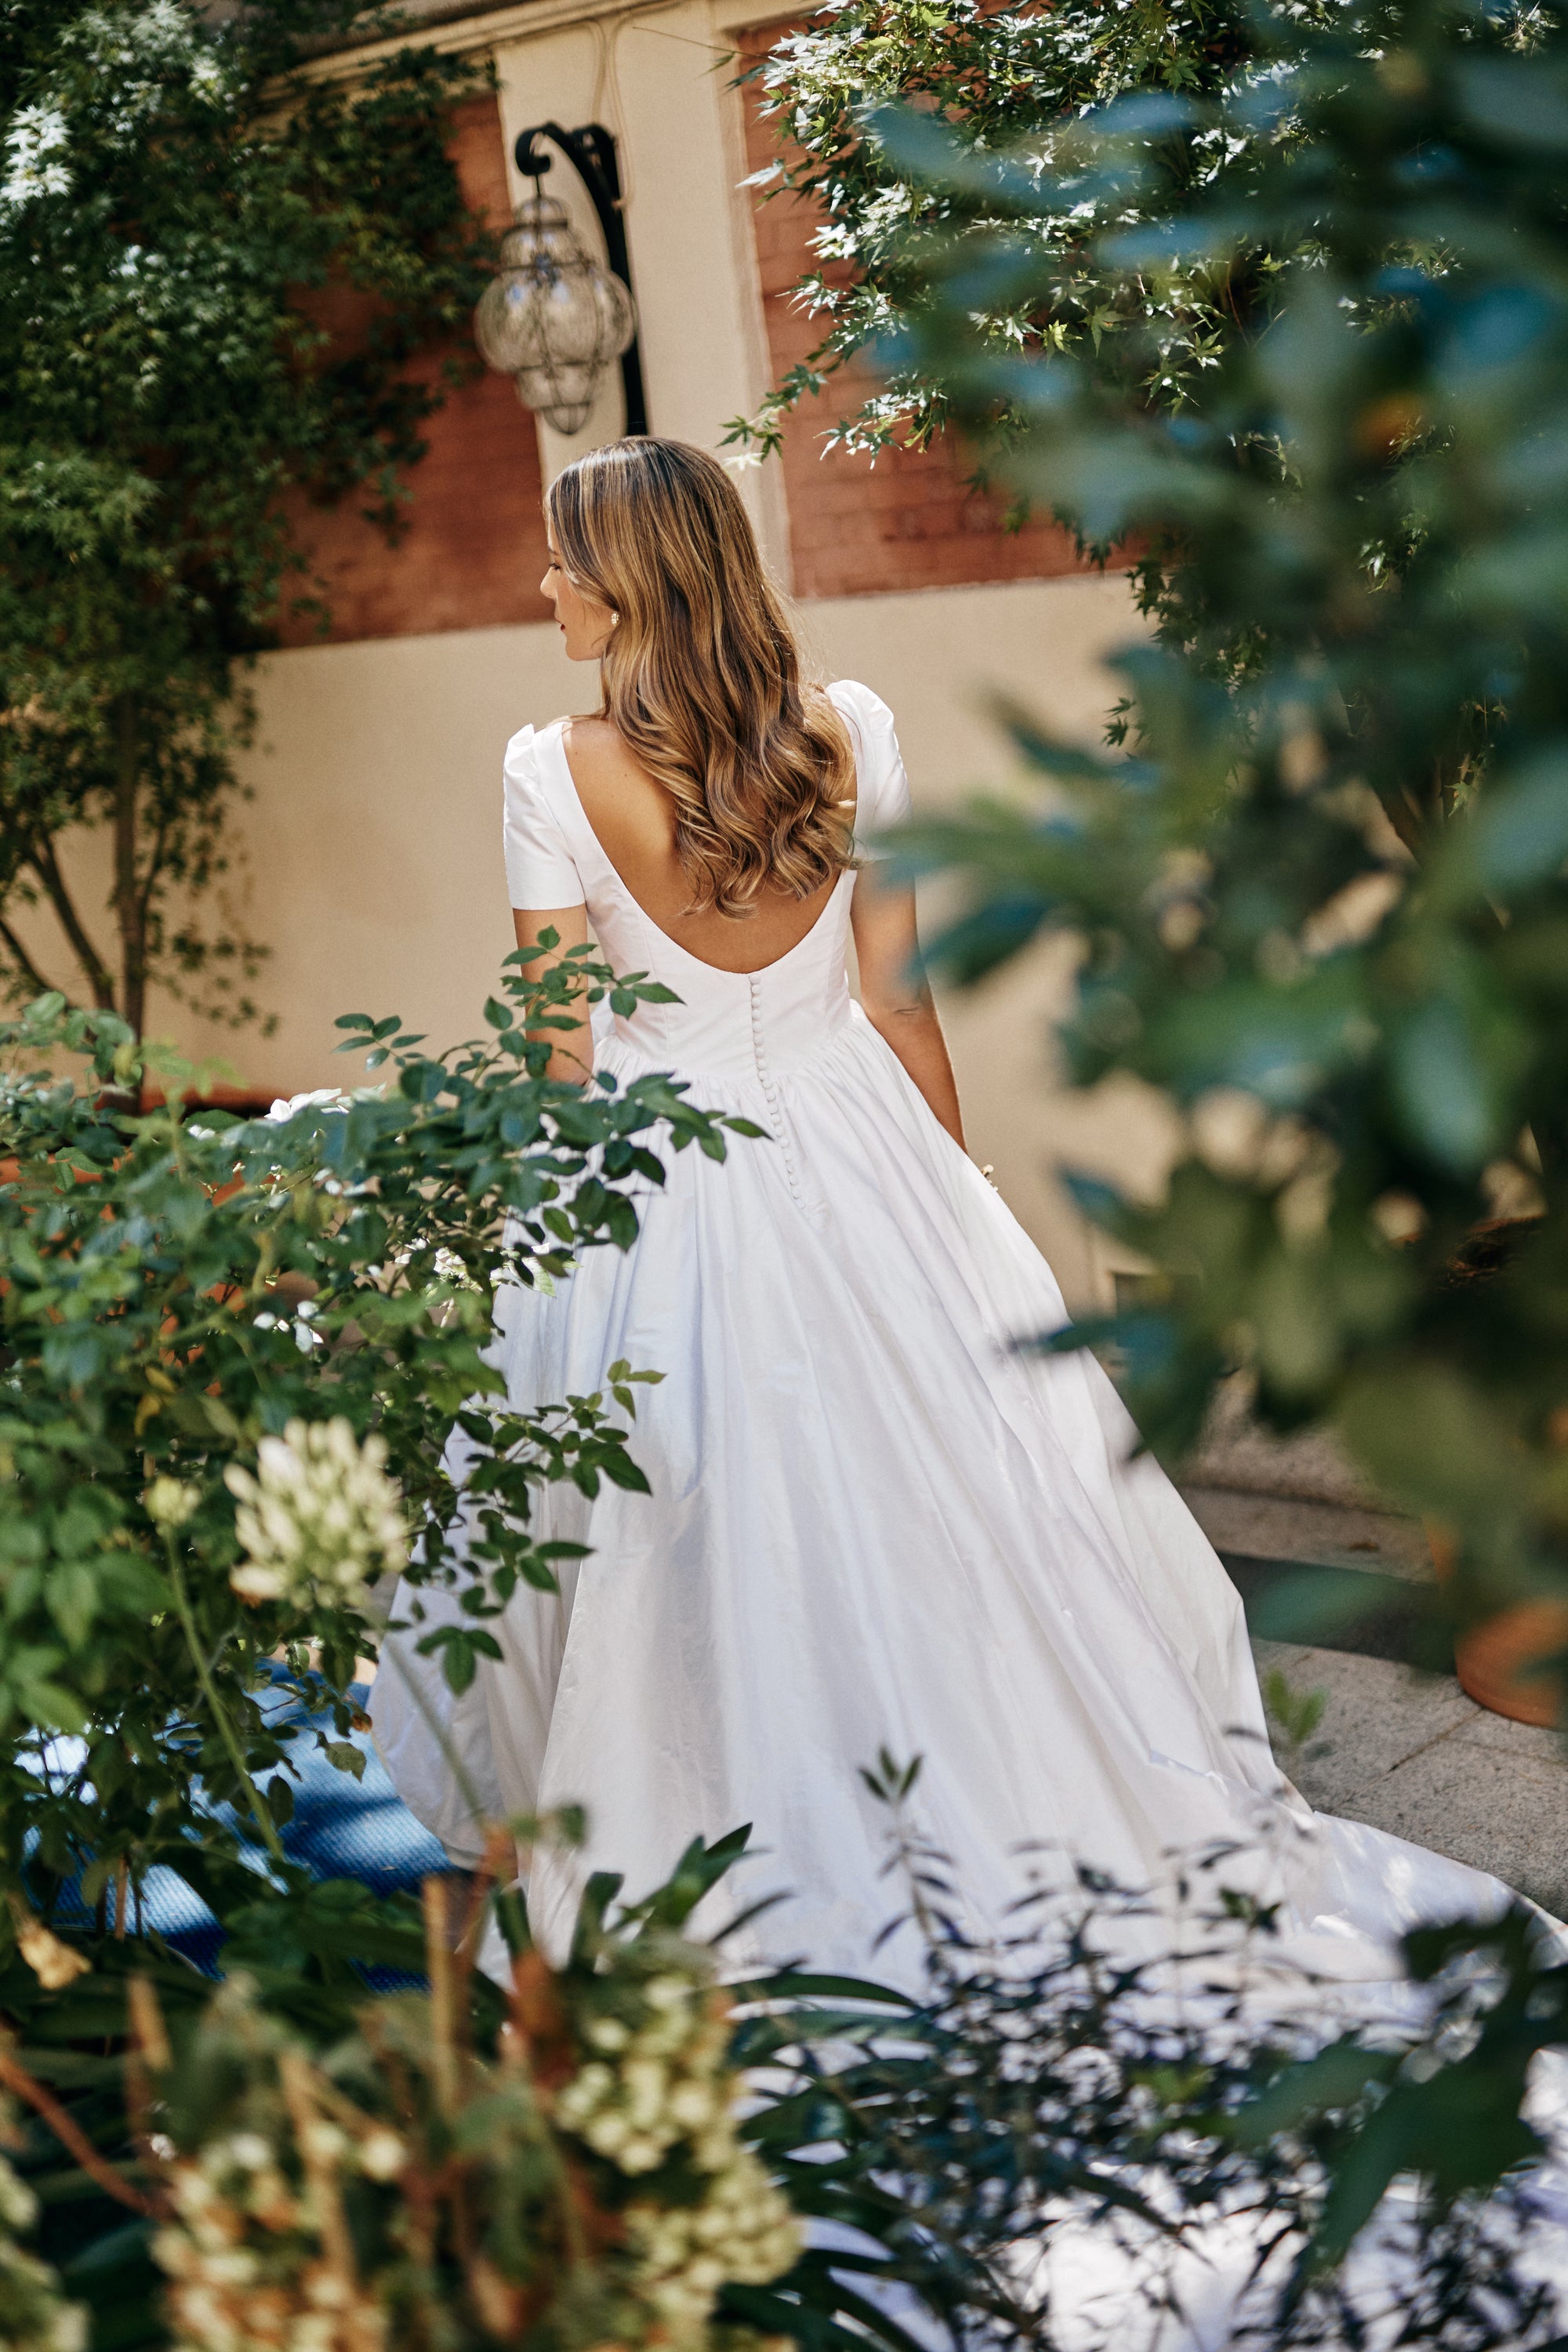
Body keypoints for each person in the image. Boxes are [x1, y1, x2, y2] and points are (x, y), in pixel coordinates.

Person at [369, 437, 1541, 2005]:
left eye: (564, 560)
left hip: (650, 1173)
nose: (546, 585)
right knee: (934, 1518)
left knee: (671, 1523)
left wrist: (522, 1237)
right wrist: (947, 1200)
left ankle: (673, 1830)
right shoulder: (844, 733)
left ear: (634, 578)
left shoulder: (546, 770)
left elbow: (559, 1053)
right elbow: (895, 997)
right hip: (857, 1137)